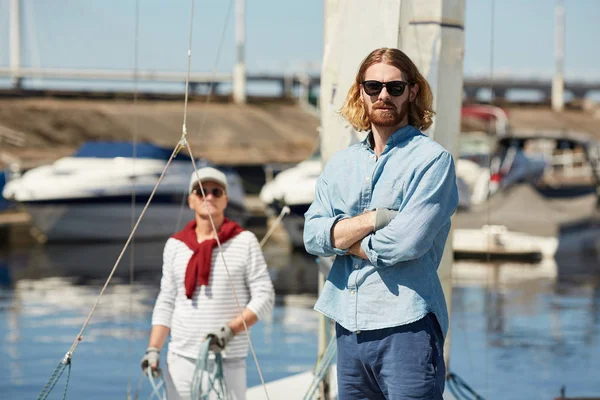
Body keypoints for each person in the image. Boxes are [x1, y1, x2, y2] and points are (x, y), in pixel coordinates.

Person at [304, 47, 459, 399]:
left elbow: (405, 243)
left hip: (407, 327)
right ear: (361, 92)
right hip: (348, 326)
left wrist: (342, 239)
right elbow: (312, 236)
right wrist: (375, 219)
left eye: (395, 87)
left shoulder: (433, 161)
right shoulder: (340, 164)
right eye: (373, 87)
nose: (384, 95)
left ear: (413, 91)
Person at [141, 166, 275, 400]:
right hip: (180, 359)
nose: (209, 197)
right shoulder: (175, 245)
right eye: (201, 192)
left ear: (226, 200)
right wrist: (154, 349)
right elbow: (166, 301)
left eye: (216, 191)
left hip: (228, 360)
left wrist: (229, 331)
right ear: (191, 200)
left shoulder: (244, 241)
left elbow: (265, 296)